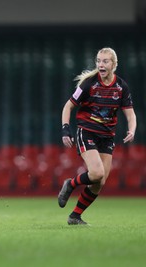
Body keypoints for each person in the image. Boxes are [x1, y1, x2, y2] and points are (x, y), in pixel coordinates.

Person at [57, 47, 137, 225]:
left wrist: (132, 130)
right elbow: (68, 106)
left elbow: (130, 114)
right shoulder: (89, 84)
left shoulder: (121, 87)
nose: (101, 64)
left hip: (107, 137)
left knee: (99, 182)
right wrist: (65, 129)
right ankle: (70, 184)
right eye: (99, 61)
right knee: (96, 173)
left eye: (105, 61)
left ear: (114, 64)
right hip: (87, 131)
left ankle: (75, 216)